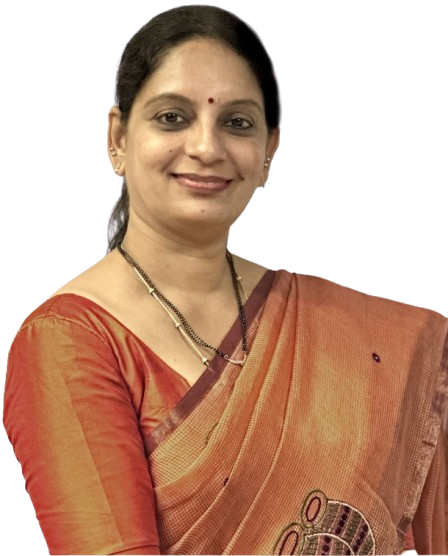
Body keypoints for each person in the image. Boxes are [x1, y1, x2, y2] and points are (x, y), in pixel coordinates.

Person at [2, 4, 446, 555]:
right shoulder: (71, 341)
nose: (206, 148)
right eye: (172, 117)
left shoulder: (366, 333)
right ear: (117, 137)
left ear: (268, 151)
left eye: (237, 123)